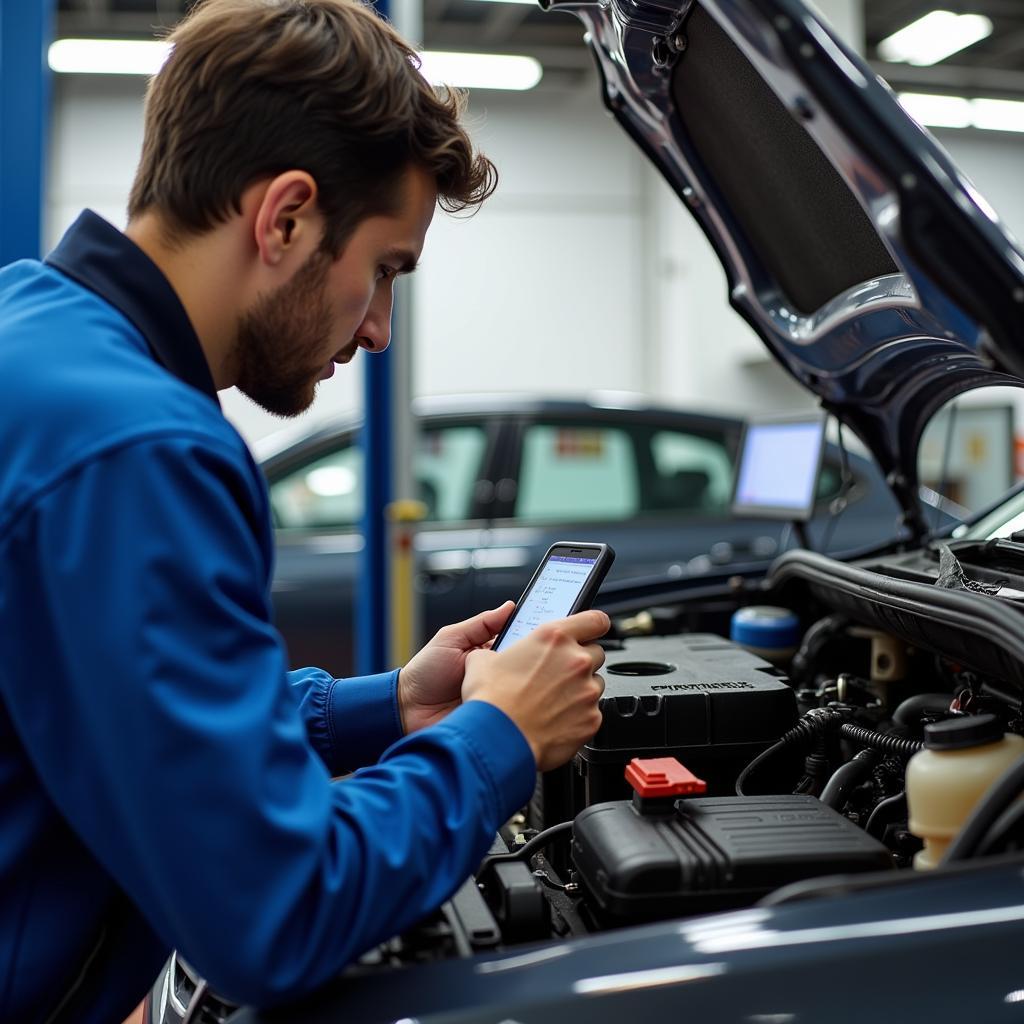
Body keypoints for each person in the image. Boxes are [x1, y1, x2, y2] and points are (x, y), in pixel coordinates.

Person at [0, 1, 609, 1020]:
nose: (376, 329)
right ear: (284, 218)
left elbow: (114, 715)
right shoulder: (142, 450)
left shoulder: (35, 328)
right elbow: (273, 914)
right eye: (383, 270)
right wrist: (497, 735)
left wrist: (395, 705)